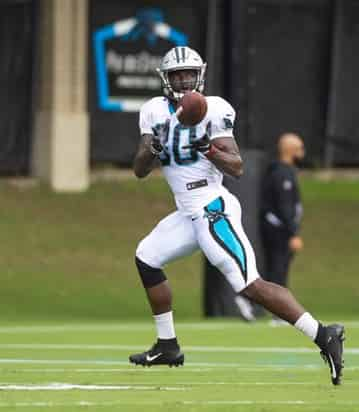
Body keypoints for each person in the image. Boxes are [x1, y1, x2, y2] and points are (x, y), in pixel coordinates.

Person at [129, 46, 345, 385]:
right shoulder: (153, 111)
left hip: (212, 207)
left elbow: (237, 166)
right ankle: (167, 345)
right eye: (177, 75)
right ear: (166, 79)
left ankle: (324, 335)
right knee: (147, 257)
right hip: (187, 211)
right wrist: (151, 149)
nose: (184, 81)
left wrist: (208, 148)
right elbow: (140, 169)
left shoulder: (214, 109)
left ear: (199, 74)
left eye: (189, 74)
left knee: (250, 285)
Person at [260, 133, 305, 326]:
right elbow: (285, 206)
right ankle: (279, 313)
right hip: (279, 231)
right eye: (300, 148)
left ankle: (279, 310)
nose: (303, 152)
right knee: (278, 269)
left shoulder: (284, 171)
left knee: (279, 269)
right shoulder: (282, 174)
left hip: (279, 229)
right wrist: (293, 233)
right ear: (290, 150)